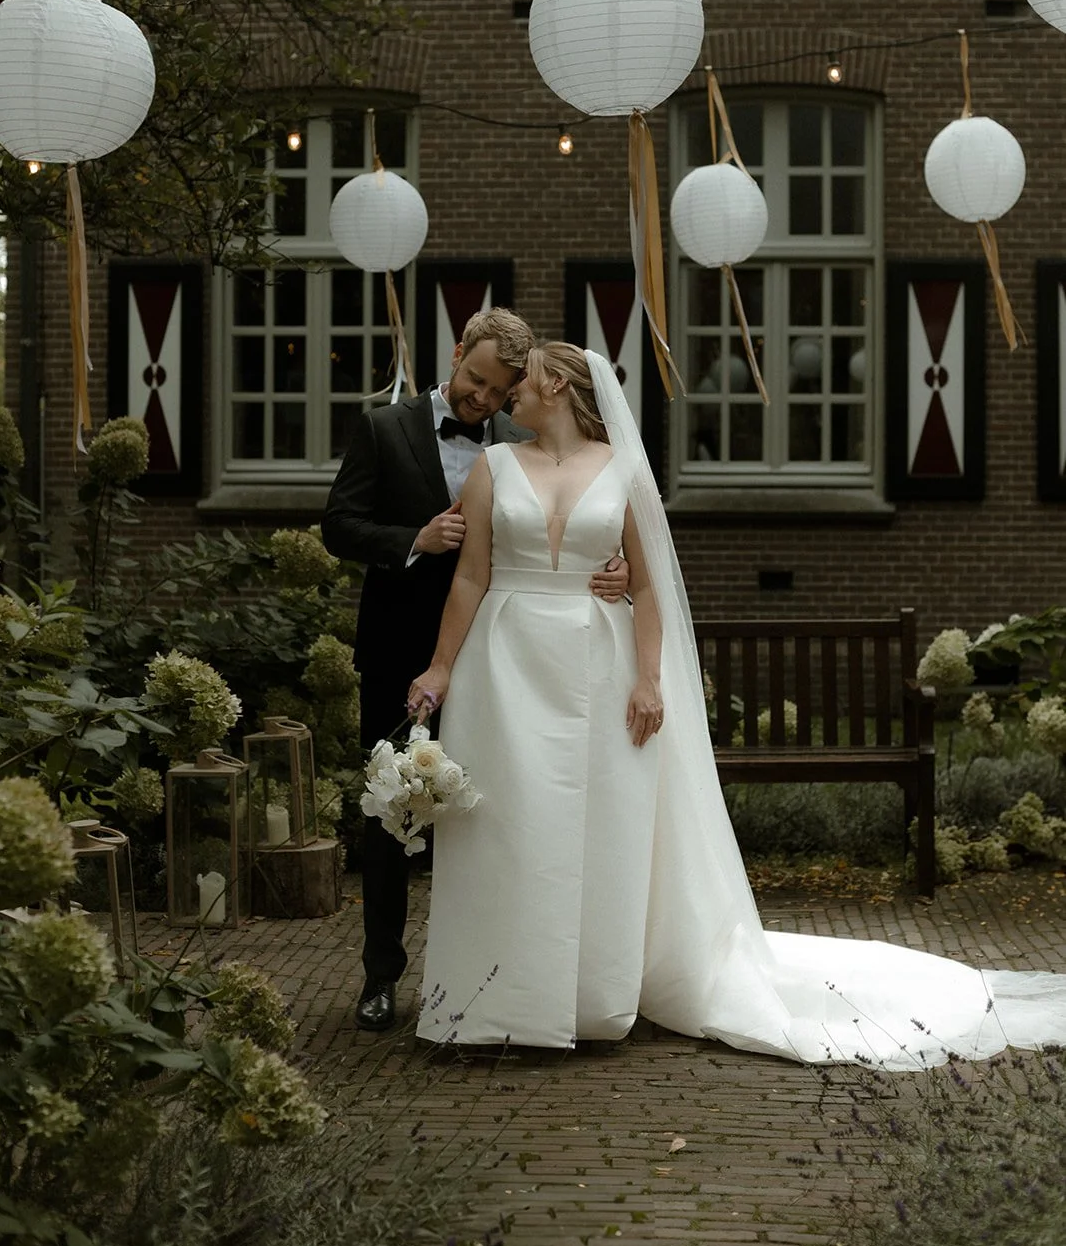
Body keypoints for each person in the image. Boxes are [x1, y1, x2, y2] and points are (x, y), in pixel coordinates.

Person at [408, 343, 1066, 1068]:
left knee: (598, 826)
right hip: (503, 665)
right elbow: (468, 579)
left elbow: (650, 586)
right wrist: (440, 668)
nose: (506, 397)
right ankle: (495, 1002)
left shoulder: (623, 470)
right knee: (506, 825)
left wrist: (649, 679)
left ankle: (584, 1000)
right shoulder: (491, 468)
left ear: (557, 386)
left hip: (598, 664)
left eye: (521, 385)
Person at [321, 312, 629, 1032]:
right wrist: (413, 539)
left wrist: (606, 565)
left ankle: (500, 973)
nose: (482, 402)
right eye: (475, 382)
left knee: (500, 811)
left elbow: (567, 518)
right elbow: (338, 524)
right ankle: (380, 977)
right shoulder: (382, 429)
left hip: (502, 660)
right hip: (404, 649)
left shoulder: (517, 442)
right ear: (455, 354)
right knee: (392, 814)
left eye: (497, 394)